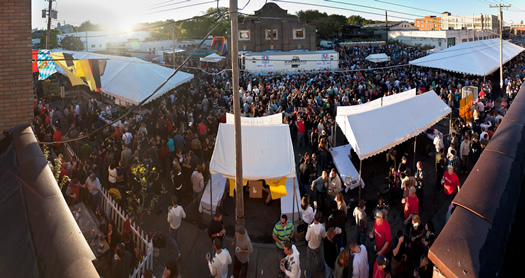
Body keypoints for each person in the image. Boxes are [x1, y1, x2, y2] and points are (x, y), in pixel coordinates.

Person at [305, 212, 325, 278]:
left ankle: (308, 275)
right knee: (319, 258)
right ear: (319, 219)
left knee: (309, 262)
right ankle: (321, 268)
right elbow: (323, 236)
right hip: (318, 245)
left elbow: (306, 238)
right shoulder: (322, 227)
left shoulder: (310, 227)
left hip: (310, 247)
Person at [167, 195, 186, 260]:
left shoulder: (171, 212)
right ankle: (176, 243)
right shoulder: (180, 208)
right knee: (176, 235)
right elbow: (184, 216)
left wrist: (168, 212)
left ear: (172, 202)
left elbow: (168, 220)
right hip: (178, 225)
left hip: (172, 227)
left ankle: (178, 252)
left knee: (171, 237)